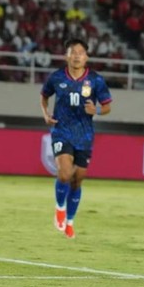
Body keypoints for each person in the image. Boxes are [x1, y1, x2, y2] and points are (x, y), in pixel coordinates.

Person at [40, 38, 112, 239]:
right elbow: (44, 95)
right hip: (61, 131)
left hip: (85, 135)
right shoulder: (56, 77)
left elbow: (107, 106)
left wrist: (96, 109)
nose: (77, 55)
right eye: (74, 52)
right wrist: (46, 114)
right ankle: (60, 208)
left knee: (77, 180)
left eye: (81, 52)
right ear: (67, 55)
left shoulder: (96, 80)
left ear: (86, 56)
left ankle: (70, 221)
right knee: (64, 174)